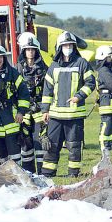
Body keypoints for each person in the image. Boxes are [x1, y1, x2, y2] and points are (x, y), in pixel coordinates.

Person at [40, 31, 96, 177]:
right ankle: (48, 173)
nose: (68, 47)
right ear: (60, 47)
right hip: (56, 115)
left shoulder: (82, 63)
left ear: (74, 46)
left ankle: (73, 173)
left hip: (74, 115)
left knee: (74, 146)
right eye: (65, 45)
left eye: (70, 45)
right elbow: (47, 90)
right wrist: (45, 110)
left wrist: (79, 96)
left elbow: (91, 83)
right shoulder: (53, 66)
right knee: (51, 146)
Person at [0, 43, 30, 166]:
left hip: (12, 118)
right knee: (1, 155)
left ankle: (18, 177)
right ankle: (3, 181)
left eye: (1, 57)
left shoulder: (13, 73)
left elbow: (24, 94)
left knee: (15, 154)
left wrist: (21, 111)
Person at [17, 33, 47, 173]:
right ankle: (28, 171)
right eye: (28, 49)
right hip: (23, 112)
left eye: (33, 49)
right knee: (25, 143)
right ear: (24, 51)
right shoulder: (17, 69)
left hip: (39, 110)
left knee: (39, 141)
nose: (30, 52)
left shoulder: (43, 68)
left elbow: (48, 88)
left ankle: (41, 172)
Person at [94, 46, 112, 151]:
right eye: (109, 56)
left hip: (111, 101)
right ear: (103, 57)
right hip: (107, 101)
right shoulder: (104, 70)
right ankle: (104, 146)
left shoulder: (108, 69)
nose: (111, 58)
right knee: (107, 124)